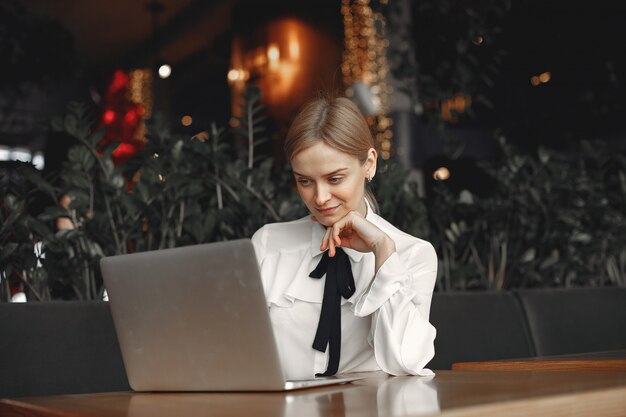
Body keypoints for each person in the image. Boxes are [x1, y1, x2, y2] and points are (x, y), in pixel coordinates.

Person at [251, 96, 437, 379]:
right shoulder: (268, 244)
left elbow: (405, 362)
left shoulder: (413, 254)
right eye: (305, 181)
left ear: (369, 164)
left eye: (335, 179)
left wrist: (383, 251)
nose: (321, 198)